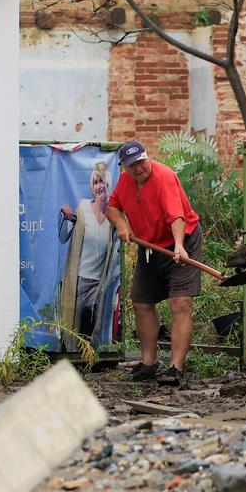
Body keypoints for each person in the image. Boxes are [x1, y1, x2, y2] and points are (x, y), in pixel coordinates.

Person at [105, 140, 203, 386]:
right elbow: (112, 207)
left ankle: (175, 368)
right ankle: (148, 364)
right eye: (132, 165)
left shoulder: (164, 178)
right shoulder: (126, 182)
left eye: (141, 162)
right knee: (142, 302)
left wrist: (179, 246)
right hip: (150, 246)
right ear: (124, 167)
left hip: (181, 241)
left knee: (180, 302)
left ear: (147, 157)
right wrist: (122, 225)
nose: (138, 168)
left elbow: (177, 217)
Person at [57, 161, 117, 347]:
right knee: (73, 328)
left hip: (100, 283)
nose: (99, 186)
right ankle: (74, 363)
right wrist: (67, 219)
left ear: (108, 184)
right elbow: (63, 237)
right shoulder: (83, 208)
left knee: (90, 330)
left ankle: (88, 365)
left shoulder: (113, 216)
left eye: (102, 182)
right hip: (80, 280)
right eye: (95, 182)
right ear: (92, 187)